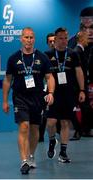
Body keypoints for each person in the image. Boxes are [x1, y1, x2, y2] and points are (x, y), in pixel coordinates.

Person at [2, 27, 55, 174]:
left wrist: (51, 92)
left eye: (31, 37)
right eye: (26, 37)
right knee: (24, 126)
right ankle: (24, 160)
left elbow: (50, 77)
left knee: (34, 129)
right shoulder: (13, 58)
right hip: (20, 97)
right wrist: (5, 101)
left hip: (38, 98)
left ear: (34, 39)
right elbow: (7, 80)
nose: (28, 40)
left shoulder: (42, 57)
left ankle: (31, 155)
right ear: (21, 39)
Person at [45, 27, 85, 163]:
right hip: (53, 94)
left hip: (69, 94)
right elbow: (43, 75)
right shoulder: (47, 55)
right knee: (50, 123)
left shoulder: (73, 54)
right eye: (61, 38)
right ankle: (52, 141)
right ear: (55, 40)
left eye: (66, 38)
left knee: (65, 122)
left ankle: (63, 152)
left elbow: (79, 72)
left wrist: (82, 90)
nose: (64, 41)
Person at [68, 6, 93, 137]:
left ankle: (86, 128)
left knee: (86, 106)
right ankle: (80, 129)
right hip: (77, 77)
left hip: (90, 76)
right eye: (84, 19)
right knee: (79, 103)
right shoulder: (73, 39)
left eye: (90, 19)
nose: (87, 21)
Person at [39, 32, 56, 142]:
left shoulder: (65, 54)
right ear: (47, 43)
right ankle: (40, 136)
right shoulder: (44, 56)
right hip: (47, 88)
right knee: (45, 113)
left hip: (62, 89)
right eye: (50, 41)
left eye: (54, 41)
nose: (53, 43)